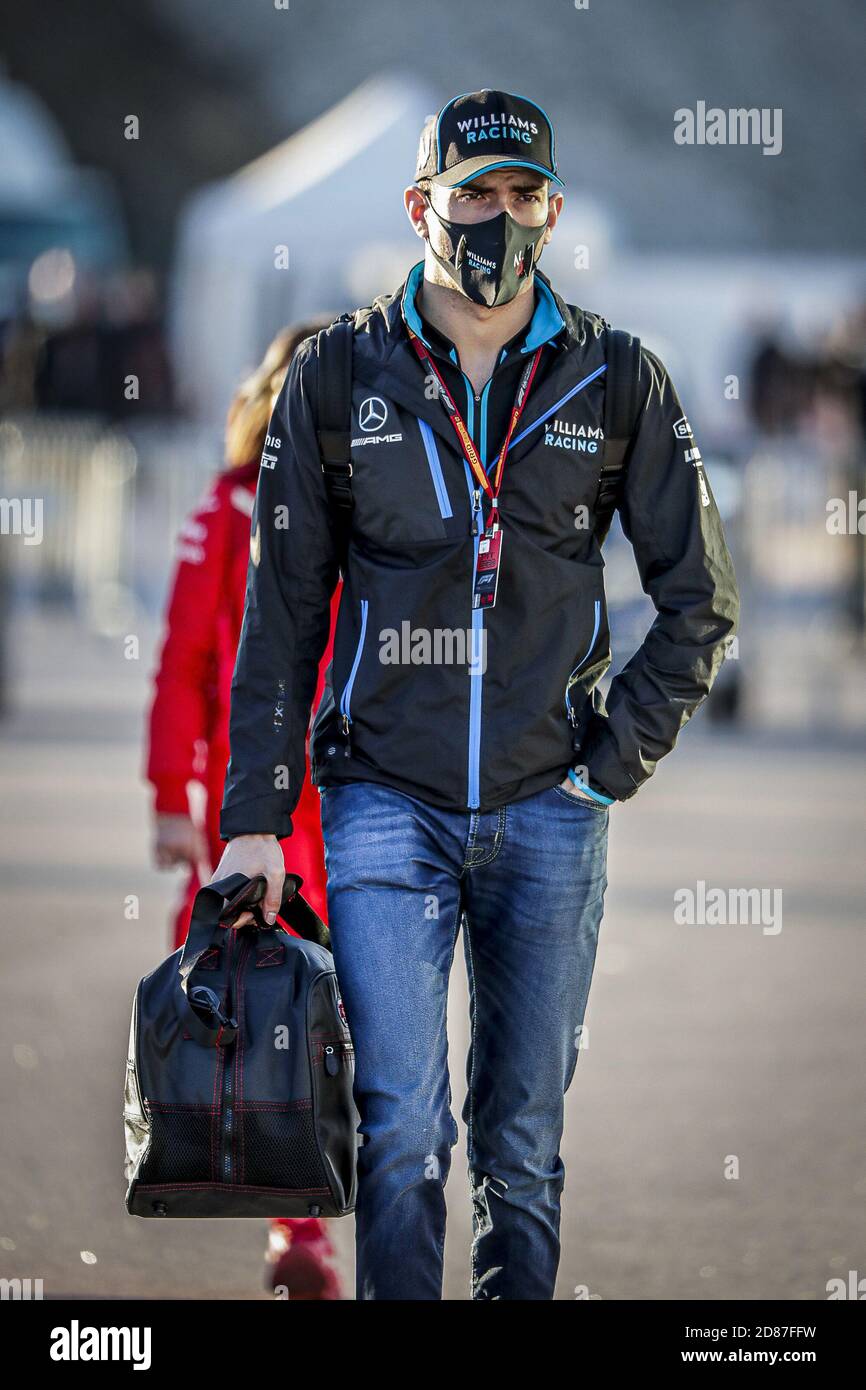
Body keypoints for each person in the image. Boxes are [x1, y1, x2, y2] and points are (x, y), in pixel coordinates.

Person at [215, 89, 740, 1300]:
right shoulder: (334, 374)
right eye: (475, 195)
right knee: (400, 1131)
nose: (499, 219)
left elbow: (697, 597)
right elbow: (280, 615)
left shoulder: (618, 377)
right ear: (421, 208)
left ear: (549, 210)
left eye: (523, 196)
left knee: (522, 1146)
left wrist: (607, 764)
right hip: (379, 804)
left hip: (550, 809)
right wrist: (258, 811)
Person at [145, 323, 342, 1300]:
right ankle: (297, 1233)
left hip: (355, 811)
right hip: (247, 818)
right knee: (265, 1020)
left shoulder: (379, 511)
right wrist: (169, 799)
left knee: (350, 1021)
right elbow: (182, 659)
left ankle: (348, 1217)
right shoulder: (227, 506)